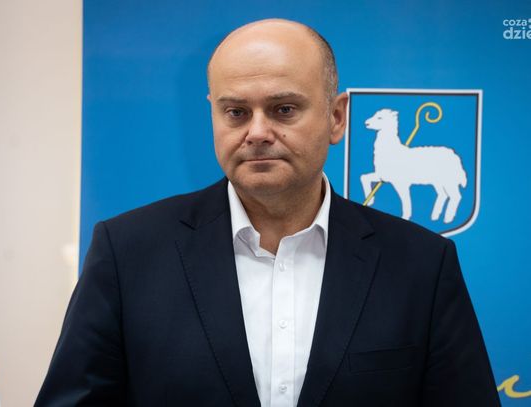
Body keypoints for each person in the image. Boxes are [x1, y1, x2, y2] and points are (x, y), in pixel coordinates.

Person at [36, 19, 500, 406]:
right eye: (236, 112)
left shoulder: (422, 264)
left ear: (337, 117)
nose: (257, 132)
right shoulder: (127, 252)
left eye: (283, 109)